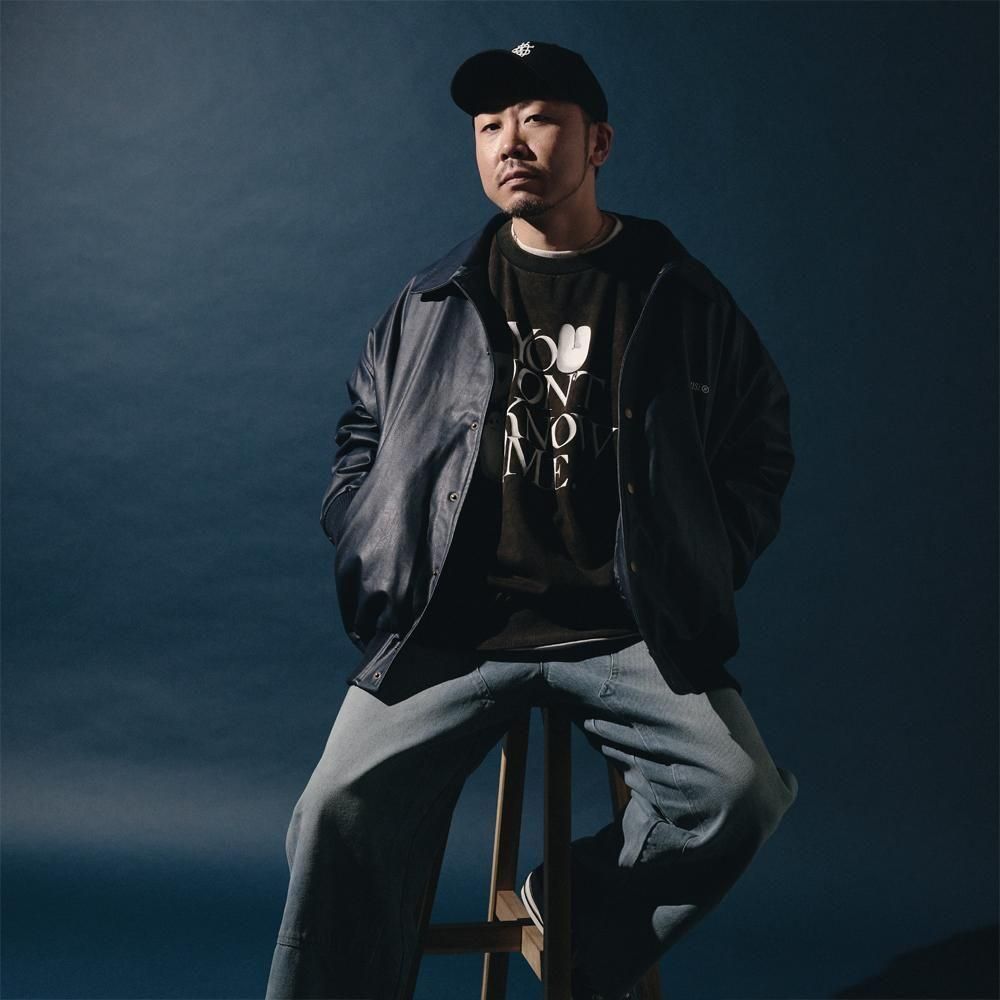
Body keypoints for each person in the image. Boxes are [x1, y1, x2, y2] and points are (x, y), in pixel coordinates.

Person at [266, 40, 799, 1000]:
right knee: (334, 811)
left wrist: (701, 558)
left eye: (539, 118)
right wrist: (368, 529)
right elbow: (362, 431)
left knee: (741, 794)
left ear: (598, 143)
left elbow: (757, 442)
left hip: (625, 629)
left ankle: (573, 907)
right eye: (489, 126)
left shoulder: (676, 291)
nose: (511, 142)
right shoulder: (432, 299)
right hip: (456, 629)